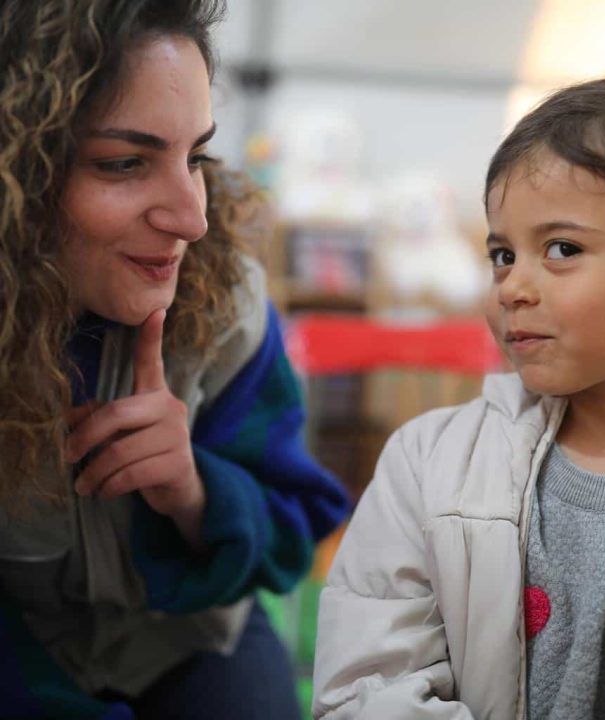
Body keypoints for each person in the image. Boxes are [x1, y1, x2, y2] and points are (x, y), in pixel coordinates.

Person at [313, 76, 605, 719]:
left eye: (562, 249)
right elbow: (367, 691)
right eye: (502, 254)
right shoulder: (428, 465)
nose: (511, 288)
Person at [0, 1, 349, 719]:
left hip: (195, 643)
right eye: (124, 163)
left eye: (195, 157)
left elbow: (294, 532)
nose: (193, 218)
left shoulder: (224, 310)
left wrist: (196, 492)